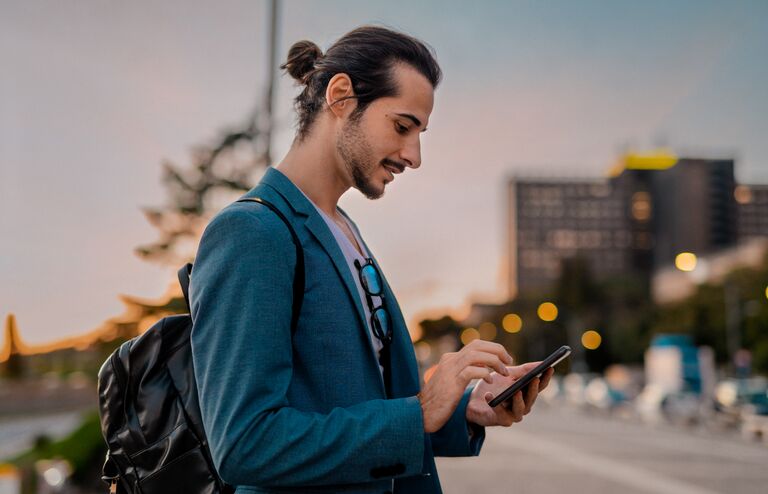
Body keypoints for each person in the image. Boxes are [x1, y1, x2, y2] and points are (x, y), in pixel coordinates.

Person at [189, 25, 552, 494]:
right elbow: (244, 444)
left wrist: (463, 409)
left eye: (420, 132)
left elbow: (362, 398)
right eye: (402, 126)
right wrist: (419, 411)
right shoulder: (252, 232)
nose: (415, 155)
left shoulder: (344, 231)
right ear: (341, 97)